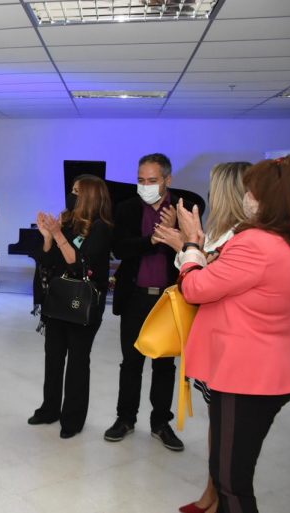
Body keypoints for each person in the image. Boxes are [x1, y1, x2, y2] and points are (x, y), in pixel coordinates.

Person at [175, 155, 290, 513]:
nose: (247, 198)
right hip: (277, 369)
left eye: (252, 191)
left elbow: (194, 288)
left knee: (231, 482)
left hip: (246, 374)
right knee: (233, 467)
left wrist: (191, 245)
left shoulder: (256, 243)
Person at [153, 162, 251, 513]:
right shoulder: (225, 233)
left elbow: (201, 285)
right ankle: (211, 493)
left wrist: (186, 244)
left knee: (228, 433)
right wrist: (186, 245)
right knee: (218, 426)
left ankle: (219, 496)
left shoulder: (244, 239)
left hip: (232, 344)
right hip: (216, 340)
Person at [105, 152, 202, 451]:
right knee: (131, 362)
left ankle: (161, 423)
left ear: (167, 180)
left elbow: (195, 250)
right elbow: (120, 248)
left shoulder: (185, 208)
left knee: (164, 364)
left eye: (152, 180)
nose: (145, 186)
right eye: (140, 180)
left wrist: (176, 233)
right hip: (135, 297)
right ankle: (125, 419)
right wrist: (152, 240)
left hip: (168, 299)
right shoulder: (127, 208)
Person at [28, 175, 113, 439]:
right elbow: (48, 261)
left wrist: (57, 235)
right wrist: (47, 237)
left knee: (77, 362)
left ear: (91, 197)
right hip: (57, 301)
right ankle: (49, 409)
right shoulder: (65, 222)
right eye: (72, 190)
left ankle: (72, 419)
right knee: (53, 358)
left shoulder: (101, 228)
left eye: (77, 192)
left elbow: (80, 266)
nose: (72, 195)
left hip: (83, 304)